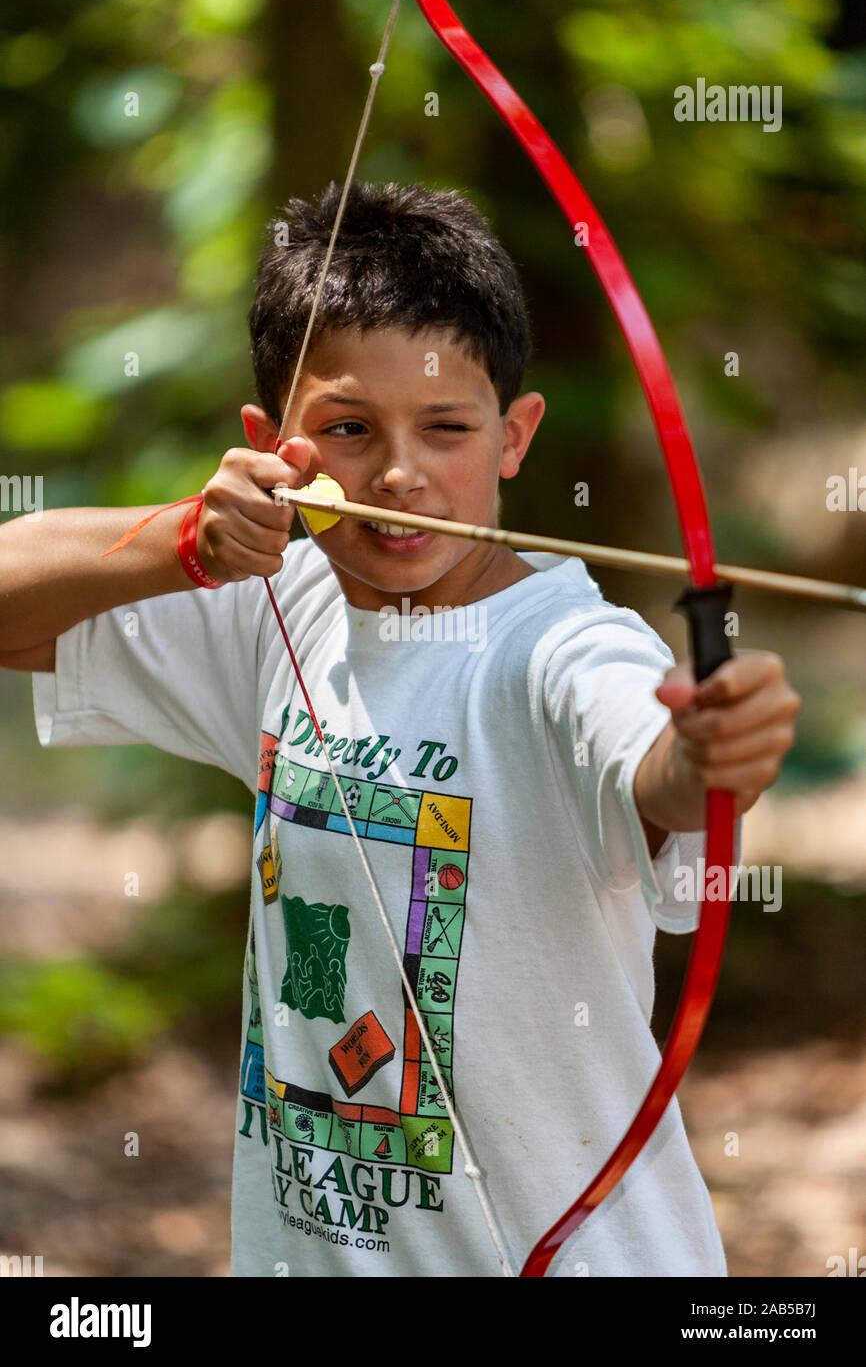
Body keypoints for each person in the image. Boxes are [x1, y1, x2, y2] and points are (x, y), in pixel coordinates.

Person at [0, 181, 800, 1276]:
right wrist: (183, 537)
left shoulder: (563, 649)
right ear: (273, 444)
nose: (398, 475)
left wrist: (701, 753)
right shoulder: (274, 609)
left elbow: (646, 761)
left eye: (446, 428)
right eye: (343, 429)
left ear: (514, 437)